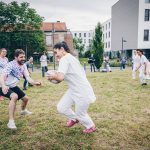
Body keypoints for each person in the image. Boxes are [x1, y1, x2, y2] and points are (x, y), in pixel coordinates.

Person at [47, 42, 96, 134]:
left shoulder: (65, 59)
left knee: (81, 114)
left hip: (82, 90)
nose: (55, 55)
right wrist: (53, 78)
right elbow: (60, 78)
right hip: (73, 89)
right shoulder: (71, 58)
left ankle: (91, 126)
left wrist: (52, 77)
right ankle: (74, 119)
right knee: (61, 107)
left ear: (62, 49)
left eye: (55, 52)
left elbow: (60, 78)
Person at [0, 49, 41, 129]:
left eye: (24, 57)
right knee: (14, 96)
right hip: (2, 85)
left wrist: (34, 82)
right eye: (21, 57)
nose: (23, 58)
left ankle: (23, 111)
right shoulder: (10, 65)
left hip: (12, 86)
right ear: (16, 57)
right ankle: (11, 122)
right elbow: (2, 76)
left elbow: (27, 77)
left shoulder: (24, 66)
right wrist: (4, 86)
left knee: (26, 99)